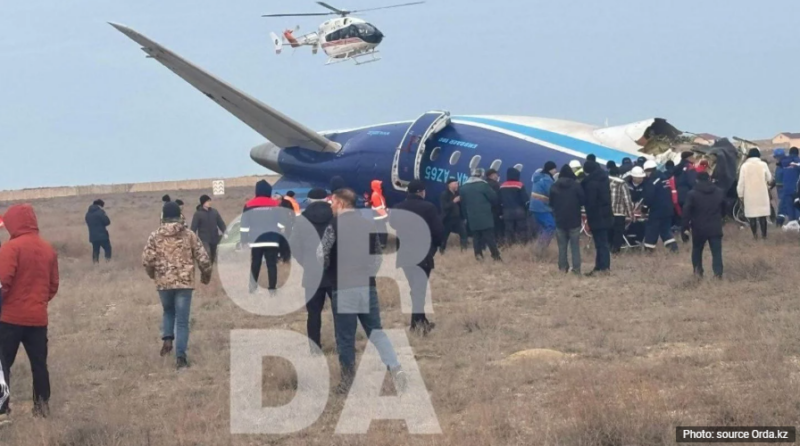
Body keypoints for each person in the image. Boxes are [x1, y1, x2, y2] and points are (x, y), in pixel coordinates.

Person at [317, 188, 405, 393]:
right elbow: (377, 257)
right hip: (367, 285)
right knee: (376, 332)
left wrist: (330, 270)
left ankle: (348, 381)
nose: (330, 206)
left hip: (343, 286)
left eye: (332, 202)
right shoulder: (368, 224)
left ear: (340, 203)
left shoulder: (334, 226)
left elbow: (321, 255)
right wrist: (368, 274)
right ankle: (396, 368)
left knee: (345, 337)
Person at [0, 204, 59, 418]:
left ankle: (2, 407)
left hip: (9, 318)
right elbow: (52, 286)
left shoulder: (10, 248)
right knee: (39, 364)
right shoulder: (48, 249)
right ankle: (42, 407)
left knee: (3, 363)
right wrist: (38, 302)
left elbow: (2, 283)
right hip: (38, 318)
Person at [143, 202, 212, 369]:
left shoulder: (154, 236)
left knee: (168, 311)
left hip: (164, 283)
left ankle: (167, 339)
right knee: (182, 321)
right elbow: (203, 259)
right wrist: (205, 277)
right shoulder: (189, 235)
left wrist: (154, 275)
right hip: (184, 283)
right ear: (179, 216)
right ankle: (180, 358)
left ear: (163, 216)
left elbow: (147, 260)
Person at [390, 180, 443, 334]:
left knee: (415, 287)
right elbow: (438, 230)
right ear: (421, 192)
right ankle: (416, 323)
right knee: (420, 288)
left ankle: (420, 320)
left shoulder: (398, 208)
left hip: (404, 253)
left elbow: (393, 225)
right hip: (423, 252)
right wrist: (435, 247)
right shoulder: (428, 208)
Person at [289, 188, 334, 351]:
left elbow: (294, 246)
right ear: (326, 199)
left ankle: (314, 347)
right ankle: (343, 343)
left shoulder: (301, 221)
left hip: (311, 273)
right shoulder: (335, 216)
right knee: (340, 312)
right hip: (334, 273)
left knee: (313, 313)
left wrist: (306, 262)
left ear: (308, 200)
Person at [241, 180, 289, 293]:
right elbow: (283, 222)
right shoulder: (276, 204)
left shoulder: (249, 205)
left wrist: (244, 240)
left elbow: (244, 225)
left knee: (255, 264)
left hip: (255, 240)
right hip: (272, 240)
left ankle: (252, 288)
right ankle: (272, 289)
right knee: (271, 265)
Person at [681, 172, 725, 278]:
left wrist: (685, 227)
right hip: (715, 226)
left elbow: (686, 212)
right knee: (717, 252)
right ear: (709, 179)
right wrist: (719, 218)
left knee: (697, 250)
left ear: (696, 180)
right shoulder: (719, 192)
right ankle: (718, 274)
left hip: (699, 227)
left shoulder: (692, 194)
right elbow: (724, 208)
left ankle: (698, 272)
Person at [459, 168, 502, 261]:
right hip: (485, 215)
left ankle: (478, 256)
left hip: (472, 216)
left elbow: (462, 204)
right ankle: (496, 256)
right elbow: (494, 198)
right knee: (490, 237)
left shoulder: (463, 187)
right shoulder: (483, 186)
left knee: (476, 237)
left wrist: (466, 216)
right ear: (481, 175)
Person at [549, 165, 585, 274]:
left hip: (560, 220)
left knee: (562, 246)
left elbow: (551, 203)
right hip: (574, 220)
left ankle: (562, 268)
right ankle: (576, 269)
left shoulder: (554, 186)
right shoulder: (576, 186)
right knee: (575, 246)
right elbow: (583, 200)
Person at [582, 160, 614, 275]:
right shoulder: (603, 179)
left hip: (597, 216)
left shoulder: (591, 183)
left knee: (601, 243)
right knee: (602, 242)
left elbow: (590, 202)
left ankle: (603, 267)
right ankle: (600, 266)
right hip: (605, 215)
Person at [642, 160, 678, 252]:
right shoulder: (664, 178)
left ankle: (648, 249)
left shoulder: (652, 181)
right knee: (665, 229)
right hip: (668, 208)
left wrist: (644, 208)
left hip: (657, 210)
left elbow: (649, 196)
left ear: (648, 170)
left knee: (652, 229)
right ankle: (673, 247)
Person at [737, 148, 773, 239]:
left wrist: (740, 194)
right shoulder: (763, 165)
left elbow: (741, 182)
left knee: (752, 216)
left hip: (749, 194)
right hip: (762, 194)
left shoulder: (744, 166)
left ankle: (755, 236)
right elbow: (769, 178)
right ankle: (764, 236)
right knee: (762, 216)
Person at [190, 195, 227, 264]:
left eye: (210, 201)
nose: (209, 202)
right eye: (207, 201)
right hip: (204, 239)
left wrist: (225, 232)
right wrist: (192, 239)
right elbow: (193, 227)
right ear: (203, 203)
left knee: (213, 255)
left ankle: (210, 267)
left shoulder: (214, 212)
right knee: (207, 254)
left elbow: (220, 223)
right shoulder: (198, 214)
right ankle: (207, 268)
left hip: (214, 237)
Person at [530, 162, 557, 251]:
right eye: (554, 169)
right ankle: (540, 249)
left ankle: (539, 249)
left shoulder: (538, 177)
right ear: (550, 169)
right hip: (542, 207)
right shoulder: (547, 180)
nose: (555, 171)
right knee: (551, 226)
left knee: (543, 227)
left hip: (534, 206)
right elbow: (552, 193)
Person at [500, 167, 530, 245]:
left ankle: (509, 245)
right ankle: (522, 245)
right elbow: (525, 199)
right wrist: (527, 209)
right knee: (522, 230)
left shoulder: (502, 186)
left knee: (508, 230)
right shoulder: (519, 185)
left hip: (506, 211)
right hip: (519, 211)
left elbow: (499, 200)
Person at [608, 165, 634, 254]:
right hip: (619, 213)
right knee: (618, 233)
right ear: (618, 174)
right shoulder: (622, 183)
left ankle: (608, 248)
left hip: (607, 213)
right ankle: (615, 250)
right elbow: (627, 199)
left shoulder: (604, 182)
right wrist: (631, 214)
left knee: (609, 232)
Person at [439, 178, 468, 253]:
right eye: (455, 183)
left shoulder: (458, 193)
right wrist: (453, 201)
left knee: (464, 234)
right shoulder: (444, 194)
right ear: (449, 185)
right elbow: (444, 206)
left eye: (457, 183)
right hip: (448, 219)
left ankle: (464, 251)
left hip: (458, 218)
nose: (457, 185)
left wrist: (464, 216)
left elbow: (462, 206)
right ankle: (441, 251)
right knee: (444, 236)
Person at [776, 147, 800, 226]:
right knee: (797, 207)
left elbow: (779, 173)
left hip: (786, 189)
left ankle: (791, 224)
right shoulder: (798, 161)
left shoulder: (783, 162)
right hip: (796, 190)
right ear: (797, 153)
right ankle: (797, 225)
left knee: (789, 208)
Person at [85, 199, 112, 263]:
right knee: (107, 249)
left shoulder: (87, 214)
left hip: (93, 236)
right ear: (100, 205)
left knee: (95, 250)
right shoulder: (100, 212)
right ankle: (108, 262)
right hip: (102, 235)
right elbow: (107, 222)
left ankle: (95, 264)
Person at [485, 169, 504, 245]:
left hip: (485, 210)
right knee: (497, 228)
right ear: (492, 175)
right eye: (496, 175)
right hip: (495, 210)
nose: (497, 176)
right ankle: (498, 243)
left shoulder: (484, 184)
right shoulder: (496, 185)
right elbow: (498, 198)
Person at [369, 180, 389, 248]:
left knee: (382, 230)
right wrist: (386, 215)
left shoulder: (378, 193)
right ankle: (382, 244)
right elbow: (378, 208)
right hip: (378, 217)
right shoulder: (375, 195)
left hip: (380, 216)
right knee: (382, 230)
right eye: (379, 184)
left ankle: (382, 243)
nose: (381, 185)